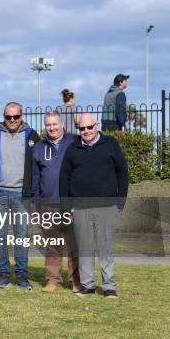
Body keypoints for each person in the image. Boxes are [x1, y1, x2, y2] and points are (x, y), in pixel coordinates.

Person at [59, 114, 129, 299]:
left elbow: (122, 172)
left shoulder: (111, 144)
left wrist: (121, 201)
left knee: (105, 247)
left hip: (107, 206)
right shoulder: (72, 148)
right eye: (82, 129)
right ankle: (87, 285)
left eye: (89, 127)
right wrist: (66, 207)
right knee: (85, 248)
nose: (86, 131)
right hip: (80, 207)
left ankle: (109, 287)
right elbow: (64, 178)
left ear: (96, 126)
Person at [0, 102, 41, 290]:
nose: (12, 120)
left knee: (21, 237)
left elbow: (39, 167)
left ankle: (22, 276)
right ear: (4, 117)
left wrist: (36, 192)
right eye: (8, 117)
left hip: (23, 196)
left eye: (16, 117)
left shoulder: (32, 136)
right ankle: (3, 275)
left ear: (22, 116)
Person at [31, 111, 80, 293]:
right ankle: (53, 281)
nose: (52, 128)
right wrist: (37, 202)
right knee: (52, 244)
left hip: (71, 203)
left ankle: (76, 281)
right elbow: (35, 177)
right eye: (48, 125)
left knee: (74, 243)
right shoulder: (38, 148)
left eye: (54, 124)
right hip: (47, 204)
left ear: (61, 125)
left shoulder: (75, 142)